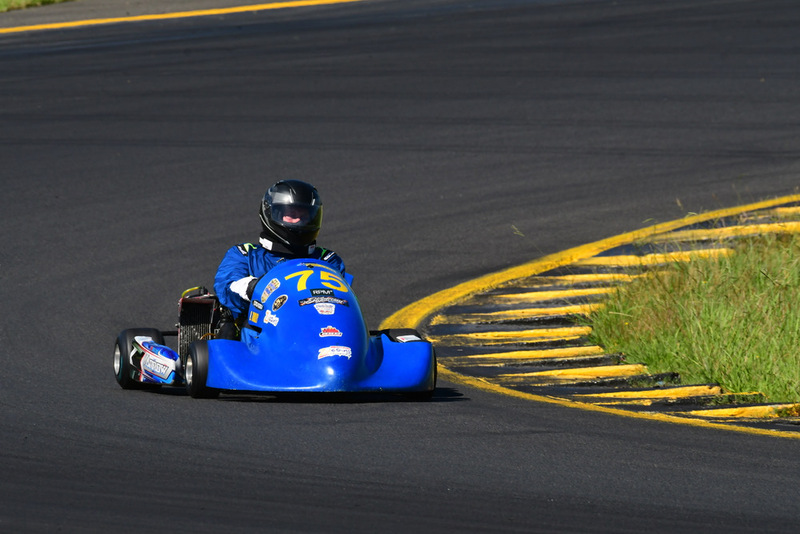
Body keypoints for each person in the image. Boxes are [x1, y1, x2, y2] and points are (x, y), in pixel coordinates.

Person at [214, 180, 346, 339]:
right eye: (292, 215)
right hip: (262, 335)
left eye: (304, 216)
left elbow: (342, 302)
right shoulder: (245, 254)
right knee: (228, 334)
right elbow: (227, 287)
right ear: (273, 213)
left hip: (316, 332)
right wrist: (255, 287)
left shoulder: (327, 260)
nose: (298, 221)